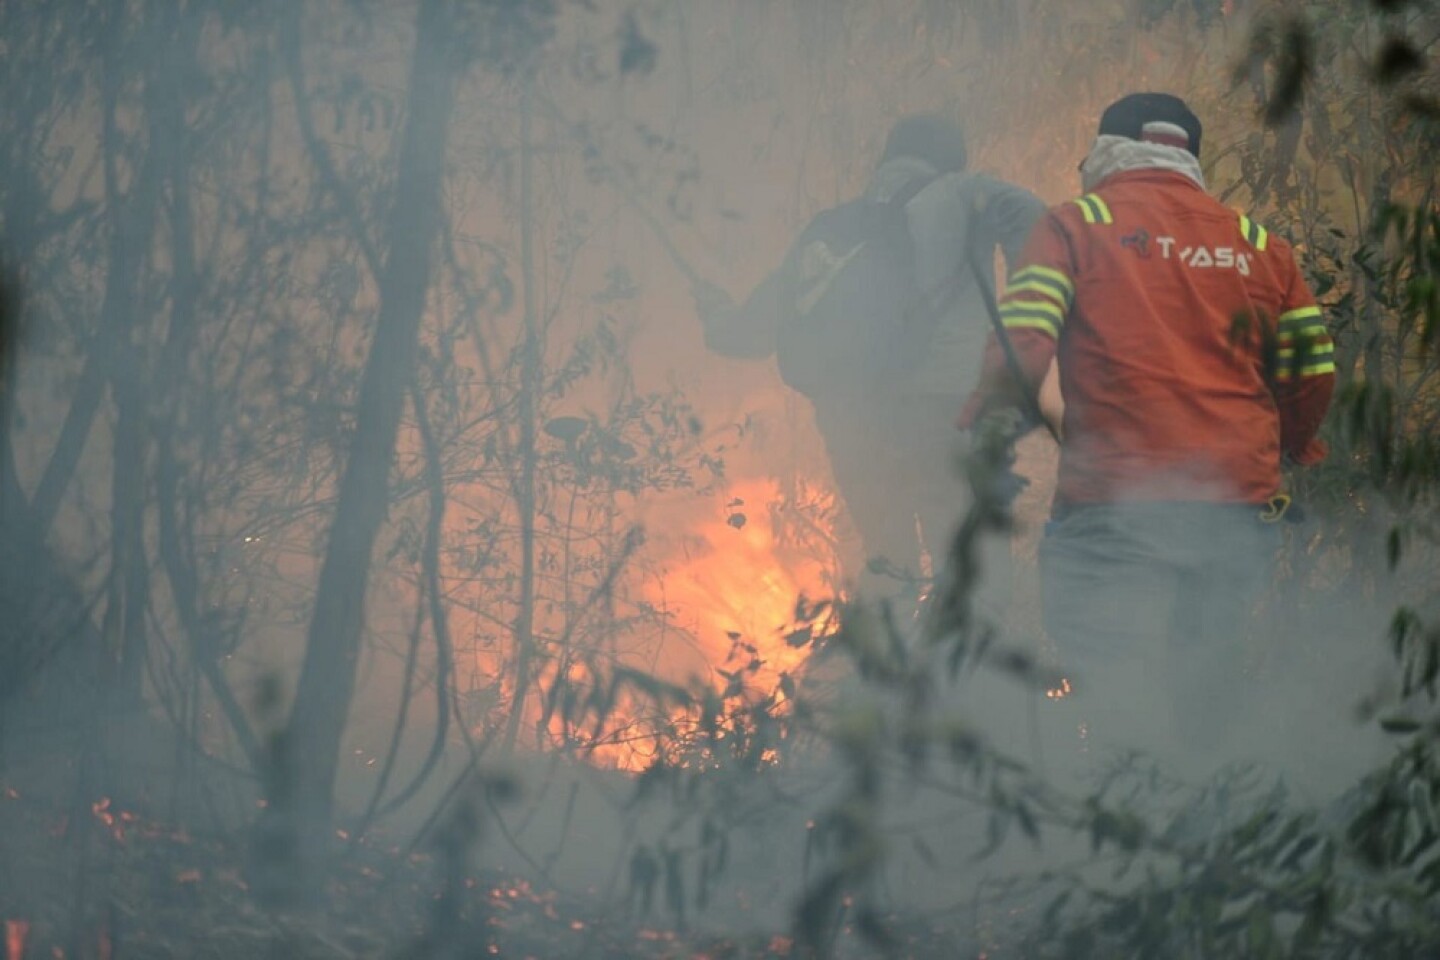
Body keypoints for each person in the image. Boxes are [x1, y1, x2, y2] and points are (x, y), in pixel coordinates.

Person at [960, 93, 1335, 761]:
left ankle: (1132, 837)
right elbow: (1311, 368)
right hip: (1235, 511)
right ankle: (1212, 830)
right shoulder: (1259, 245)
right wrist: (1294, 443)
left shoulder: (1076, 224)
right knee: (1206, 691)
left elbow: (1024, 344)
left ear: (1105, 151)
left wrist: (987, 417)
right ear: (1188, 155)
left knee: (1115, 695)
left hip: (1114, 508)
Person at [696, 114, 1045, 614]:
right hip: (944, 409)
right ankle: (969, 684)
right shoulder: (960, 192)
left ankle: (887, 678)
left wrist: (714, 309)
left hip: (854, 420)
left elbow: (745, 335)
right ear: (949, 159)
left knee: (889, 566)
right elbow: (1033, 215)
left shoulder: (834, 232)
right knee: (969, 568)